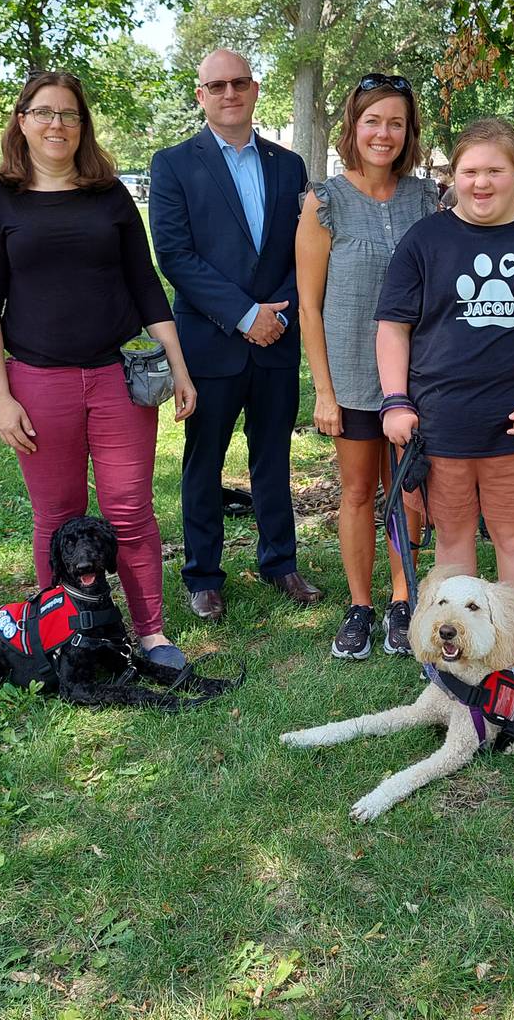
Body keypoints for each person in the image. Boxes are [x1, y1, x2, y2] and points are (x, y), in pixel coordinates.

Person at [0, 72, 197, 669]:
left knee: (130, 510)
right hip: (39, 384)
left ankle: (150, 632)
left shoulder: (110, 196)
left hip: (117, 379)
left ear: (82, 125)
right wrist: (0, 397)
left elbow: (146, 285)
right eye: (44, 112)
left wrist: (180, 367)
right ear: (22, 121)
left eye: (69, 114)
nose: (57, 125)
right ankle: (60, 630)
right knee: (58, 516)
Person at [375, 118, 514, 606]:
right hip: (441, 421)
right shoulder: (424, 241)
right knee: (453, 541)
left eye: (494, 170)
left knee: (513, 538)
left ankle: (511, 650)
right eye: (469, 171)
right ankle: (463, 654)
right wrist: (395, 401)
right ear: (453, 176)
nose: (480, 183)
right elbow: (393, 327)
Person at [148, 49, 323, 620]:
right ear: (200, 95)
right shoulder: (174, 164)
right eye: (216, 85)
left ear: (254, 89)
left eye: (239, 83)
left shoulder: (288, 164)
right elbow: (175, 254)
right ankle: (202, 574)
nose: (229, 93)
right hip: (213, 340)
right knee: (206, 460)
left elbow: (304, 254)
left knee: (273, 456)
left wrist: (281, 313)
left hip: (278, 337)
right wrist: (247, 315)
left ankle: (281, 563)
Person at [297, 73, 441, 659]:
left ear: (408, 133)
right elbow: (309, 305)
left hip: (420, 376)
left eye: (396, 123)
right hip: (354, 376)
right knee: (358, 492)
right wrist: (324, 391)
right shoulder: (324, 202)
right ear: (353, 127)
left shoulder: (427, 200)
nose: (384, 133)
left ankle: (403, 602)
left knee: (408, 492)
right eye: (373, 120)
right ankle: (360, 605)